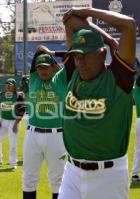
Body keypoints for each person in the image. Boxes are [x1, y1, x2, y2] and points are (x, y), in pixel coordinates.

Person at [58, 7, 136, 199]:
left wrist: (87, 10)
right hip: (72, 174)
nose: (80, 62)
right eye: (76, 55)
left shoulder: (119, 78)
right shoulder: (72, 73)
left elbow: (128, 25)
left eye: (86, 55)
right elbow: (70, 21)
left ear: (102, 54)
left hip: (108, 177)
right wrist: (109, 40)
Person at [22, 52, 67, 199]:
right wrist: (42, 53)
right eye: (40, 68)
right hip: (32, 135)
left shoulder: (61, 79)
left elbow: (70, 57)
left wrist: (52, 53)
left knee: (57, 179)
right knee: (29, 178)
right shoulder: (34, 79)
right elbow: (38, 52)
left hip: (57, 135)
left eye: (46, 67)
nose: (42, 71)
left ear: (53, 67)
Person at [0, 78, 24, 169]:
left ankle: (13, 163)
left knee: (13, 143)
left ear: (14, 86)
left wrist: (16, 124)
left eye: (10, 85)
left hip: (14, 121)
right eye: (7, 84)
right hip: (3, 121)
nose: (8, 86)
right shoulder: (1, 95)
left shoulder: (18, 96)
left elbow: (22, 111)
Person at [132, 74, 140, 182]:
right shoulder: (137, 88)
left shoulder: (136, 89)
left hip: (139, 120)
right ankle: (134, 174)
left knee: (138, 148)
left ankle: (134, 174)